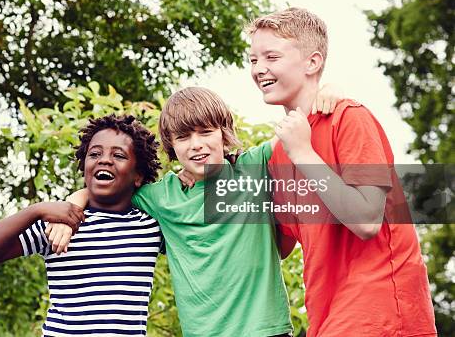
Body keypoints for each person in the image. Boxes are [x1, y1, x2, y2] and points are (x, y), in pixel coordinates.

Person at [49, 86, 342, 337]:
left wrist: (328, 92)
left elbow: (307, 122)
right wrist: (74, 204)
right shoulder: (163, 196)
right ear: (171, 147)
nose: (197, 145)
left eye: (206, 132)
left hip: (265, 330)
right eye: (184, 137)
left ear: (224, 135)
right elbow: (109, 189)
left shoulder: (255, 168)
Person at [246, 7, 437, 337]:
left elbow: (366, 221)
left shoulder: (349, 119)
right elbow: (277, 246)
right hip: (327, 319)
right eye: (252, 60)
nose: (259, 68)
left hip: (382, 317)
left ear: (313, 62)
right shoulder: (280, 151)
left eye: (271, 57)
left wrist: (304, 153)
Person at [0, 114, 163, 337]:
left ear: (138, 176)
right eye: (95, 154)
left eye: (118, 155)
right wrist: (37, 210)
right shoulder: (59, 225)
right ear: (84, 166)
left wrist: (211, 163)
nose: (104, 160)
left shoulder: (149, 228)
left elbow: (212, 230)